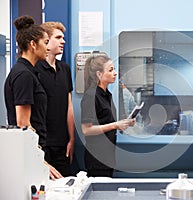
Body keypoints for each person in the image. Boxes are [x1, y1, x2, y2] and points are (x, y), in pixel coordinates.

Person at [4, 15, 63, 179]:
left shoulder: (29, 72)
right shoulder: (23, 75)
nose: (48, 48)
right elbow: (23, 124)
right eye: (45, 43)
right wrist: (41, 161)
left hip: (32, 150)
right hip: (29, 153)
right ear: (32, 44)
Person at [80, 53, 135, 177]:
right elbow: (86, 130)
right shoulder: (91, 95)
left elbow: (106, 121)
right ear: (99, 74)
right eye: (110, 70)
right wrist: (115, 125)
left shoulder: (106, 94)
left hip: (108, 156)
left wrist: (125, 122)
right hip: (97, 158)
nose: (115, 73)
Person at [35, 22, 75, 177]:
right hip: (41, 144)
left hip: (62, 144)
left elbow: (69, 106)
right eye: (58, 37)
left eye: (63, 38)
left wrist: (71, 139)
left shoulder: (65, 69)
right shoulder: (35, 69)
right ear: (45, 41)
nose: (63, 41)